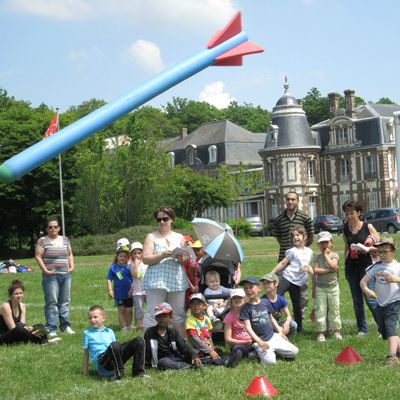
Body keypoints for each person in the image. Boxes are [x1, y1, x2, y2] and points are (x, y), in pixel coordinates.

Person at [142, 206, 189, 336]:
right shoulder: (151, 237)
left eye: (165, 219)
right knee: (153, 314)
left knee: (178, 314)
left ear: (172, 219)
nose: (162, 222)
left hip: (176, 280)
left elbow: (186, 259)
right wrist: (162, 255)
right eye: (159, 219)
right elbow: (145, 259)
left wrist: (182, 258)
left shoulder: (179, 237)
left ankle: (179, 346)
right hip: (156, 281)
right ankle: (148, 347)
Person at [239, 276, 298, 365]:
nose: (248, 290)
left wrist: (280, 332)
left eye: (251, 287)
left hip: (273, 337)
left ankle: (272, 350)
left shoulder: (265, 302)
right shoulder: (245, 308)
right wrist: (259, 341)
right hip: (261, 341)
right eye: (246, 288)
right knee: (271, 363)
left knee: (294, 352)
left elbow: (271, 318)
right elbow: (248, 328)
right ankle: (258, 351)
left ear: (259, 288)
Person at [360, 238, 400, 367]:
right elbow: (363, 281)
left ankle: (392, 356)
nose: (381, 254)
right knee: (384, 329)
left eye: (385, 252)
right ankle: (398, 350)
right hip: (380, 303)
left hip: (393, 301)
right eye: (379, 252)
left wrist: (396, 279)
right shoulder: (376, 266)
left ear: (393, 252)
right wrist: (366, 290)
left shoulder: (397, 266)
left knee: (390, 327)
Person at [271, 191, 314, 313]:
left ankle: (300, 316)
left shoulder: (305, 217)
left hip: (301, 262)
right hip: (283, 259)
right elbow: (278, 237)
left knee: (302, 292)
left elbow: (310, 235)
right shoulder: (279, 219)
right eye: (288, 199)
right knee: (279, 289)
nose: (290, 202)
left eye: (293, 199)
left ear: (298, 201)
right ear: (285, 201)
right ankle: (277, 313)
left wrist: (301, 251)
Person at [342, 199, 380, 336]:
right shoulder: (345, 229)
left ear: (359, 213)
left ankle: (382, 328)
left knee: (370, 299)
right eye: (347, 213)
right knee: (357, 301)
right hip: (351, 267)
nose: (349, 216)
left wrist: (369, 245)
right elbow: (346, 246)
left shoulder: (367, 226)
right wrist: (345, 262)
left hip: (366, 268)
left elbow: (378, 242)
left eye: (352, 213)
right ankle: (362, 329)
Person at [35, 216, 75, 336]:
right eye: (50, 227)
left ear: (59, 228)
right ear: (47, 229)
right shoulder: (42, 241)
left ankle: (65, 326)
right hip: (50, 276)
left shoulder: (65, 239)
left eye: (55, 227)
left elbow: (70, 254)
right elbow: (38, 256)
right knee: (52, 302)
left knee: (65, 301)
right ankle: (51, 328)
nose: (53, 229)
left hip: (65, 275)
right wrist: (46, 270)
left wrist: (71, 266)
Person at [82, 305, 146, 379]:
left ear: (104, 318)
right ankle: (119, 375)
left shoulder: (110, 331)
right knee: (115, 345)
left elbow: (116, 350)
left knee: (139, 341)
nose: (92, 320)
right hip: (102, 361)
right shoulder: (87, 333)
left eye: (95, 317)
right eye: (90, 318)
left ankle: (138, 372)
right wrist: (85, 373)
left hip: (113, 356)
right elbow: (86, 354)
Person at [271, 226, 313, 332]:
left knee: (297, 305)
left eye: (298, 235)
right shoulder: (292, 251)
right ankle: (272, 321)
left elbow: (308, 265)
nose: (295, 237)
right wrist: (272, 273)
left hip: (298, 283)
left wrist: (309, 270)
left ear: (305, 237)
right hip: (287, 278)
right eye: (293, 236)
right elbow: (283, 263)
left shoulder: (309, 251)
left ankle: (299, 328)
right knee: (275, 298)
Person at [185, 293, 239, 367]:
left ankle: (229, 359)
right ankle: (227, 363)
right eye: (194, 304)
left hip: (209, 347)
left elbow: (209, 335)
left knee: (219, 352)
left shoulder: (207, 318)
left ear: (204, 306)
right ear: (190, 306)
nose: (196, 306)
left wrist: (212, 348)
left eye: (199, 304)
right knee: (211, 359)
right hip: (198, 350)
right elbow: (194, 339)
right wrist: (209, 350)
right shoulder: (190, 320)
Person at [0, 279, 60, 345]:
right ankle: (43, 341)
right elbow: (12, 328)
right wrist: (30, 332)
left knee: (40, 326)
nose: (19, 296)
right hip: (4, 336)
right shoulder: (5, 306)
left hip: (18, 332)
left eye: (21, 293)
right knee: (19, 330)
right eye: (16, 294)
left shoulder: (22, 306)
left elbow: (22, 325)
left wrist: (30, 329)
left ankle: (44, 341)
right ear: (11, 295)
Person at [144, 302, 202, 370]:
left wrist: (194, 355)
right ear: (156, 318)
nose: (162, 319)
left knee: (192, 357)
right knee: (163, 362)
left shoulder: (173, 332)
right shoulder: (150, 332)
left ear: (170, 318)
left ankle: (194, 363)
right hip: (162, 361)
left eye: (165, 316)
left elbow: (183, 347)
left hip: (176, 358)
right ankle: (189, 367)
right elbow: (146, 350)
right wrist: (146, 364)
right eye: (159, 316)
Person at [312, 231, 342, 342]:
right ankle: (320, 332)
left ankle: (336, 330)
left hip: (333, 287)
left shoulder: (334, 255)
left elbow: (334, 265)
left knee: (335, 309)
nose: (324, 245)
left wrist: (326, 255)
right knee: (320, 310)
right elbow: (316, 270)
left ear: (331, 243)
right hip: (321, 288)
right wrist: (329, 270)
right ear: (318, 245)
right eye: (321, 243)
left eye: (326, 242)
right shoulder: (317, 257)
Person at [260, 273, 297, 337]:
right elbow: (266, 320)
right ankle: (278, 336)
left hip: (276, 324)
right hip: (266, 326)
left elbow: (288, 316)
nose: (266, 285)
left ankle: (280, 337)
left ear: (276, 284)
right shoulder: (263, 300)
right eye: (264, 283)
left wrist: (287, 323)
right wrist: (278, 328)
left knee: (293, 324)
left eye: (268, 283)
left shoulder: (281, 299)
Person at [223, 288, 254, 363]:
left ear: (245, 299)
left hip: (253, 341)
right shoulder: (229, 317)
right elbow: (228, 339)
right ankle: (241, 355)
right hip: (238, 343)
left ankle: (252, 353)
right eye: (234, 298)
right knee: (238, 349)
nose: (237, 300)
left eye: (240, 298)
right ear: (231, 301)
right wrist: (244, 342)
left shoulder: (251, 313)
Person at [107, 246, 133, 332]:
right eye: (121, 256)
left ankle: (129, 326)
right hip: (119, 294)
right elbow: (109, 279)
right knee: (121, 310)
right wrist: (110, 290)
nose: (123, 258)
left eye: (125, 256)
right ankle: (123, 327)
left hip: (129, 293)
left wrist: (131, 290)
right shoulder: (113, 267)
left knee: (129, 310)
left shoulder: (130, 267)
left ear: (128, 258)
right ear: (117, 256)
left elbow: (135, 278)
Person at [128, 242, 147, 331]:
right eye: (134, 253)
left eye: (139, 253)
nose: (137, 255)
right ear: (131, 254)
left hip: (147, 290)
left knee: (151, 307)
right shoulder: (131, 265)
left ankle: (150, 324)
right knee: (139, 309)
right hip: (137, 291)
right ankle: (140, 326)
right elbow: (135, 275)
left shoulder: (146, 264)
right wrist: (136, 264)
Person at [183, 240, 203, 310]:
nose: (196, 252)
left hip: (202, 287)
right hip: (196, 288)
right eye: (194, 250)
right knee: (195, 308)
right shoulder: (196, 260)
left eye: (198, 250)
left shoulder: (204, 260)